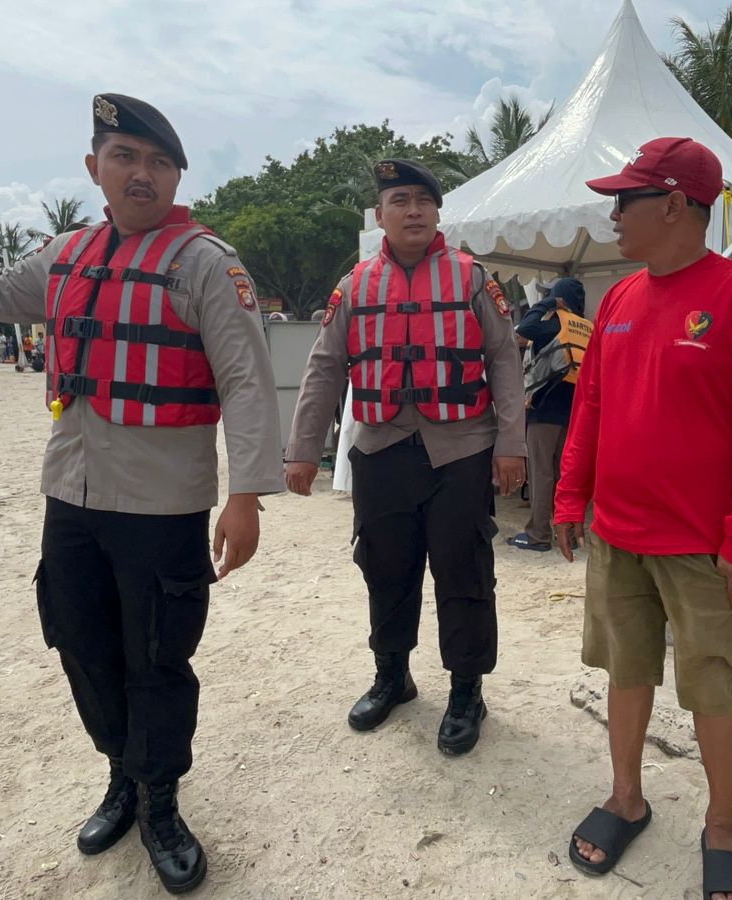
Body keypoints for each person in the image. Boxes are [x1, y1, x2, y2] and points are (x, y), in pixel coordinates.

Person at [0, 91, 282, 894]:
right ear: (95, 167)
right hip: (72, 498)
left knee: (158, 657)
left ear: (177, 176)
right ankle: (120, 774)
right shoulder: (65, 255)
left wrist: (247, 495)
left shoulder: (206, 264)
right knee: (82, 646)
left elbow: (249, 383)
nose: (141, 174)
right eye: (125, 157)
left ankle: (159, 799)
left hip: (163, 505)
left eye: (158, 162)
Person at [555, 138, 732, 900]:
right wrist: (570, 496)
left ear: (672, 205)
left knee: (712, 686)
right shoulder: (619, 301)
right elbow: (591, 406)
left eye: (624, 200)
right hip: (618, 536)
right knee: (625, 671)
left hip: (704, 548)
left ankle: (722, 825)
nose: (613, 214)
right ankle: (626, 797)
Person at [284, 159, 527, 756]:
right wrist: (302, 449)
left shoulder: (472, 278)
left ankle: (466, 691)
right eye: (400, 200)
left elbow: (504, 359)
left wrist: (511, 444)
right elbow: (324, 366)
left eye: (423, 199)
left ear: (438, 211)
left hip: (461, 450)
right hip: (380, 449)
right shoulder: (355, 285)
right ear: (380, 214)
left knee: (464, 572)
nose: (413, 210)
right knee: (385, 567)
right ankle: (392, 676)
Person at [508, 277, 587, 552]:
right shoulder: (586, 329)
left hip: (544, 413)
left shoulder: (554, 325)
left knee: (541, 475)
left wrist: (549, 303)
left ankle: (538, 535)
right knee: (565, 476)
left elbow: (525, 327)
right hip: (574, 415)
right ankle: (568, 533)